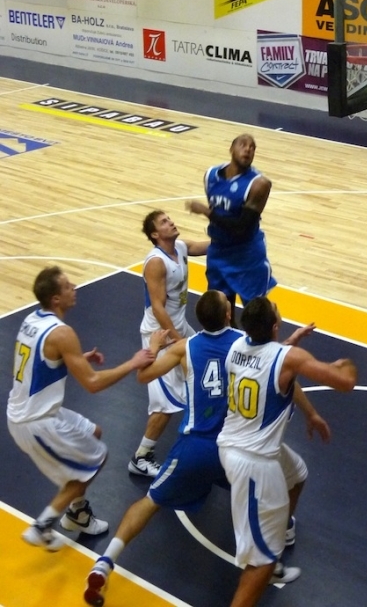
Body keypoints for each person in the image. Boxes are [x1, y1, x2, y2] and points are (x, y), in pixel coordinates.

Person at [84, 292, 325, 607]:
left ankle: (104, 563)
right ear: (228, 315)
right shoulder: (242, 343)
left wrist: (153, 347)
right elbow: (278, 364)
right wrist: (309, 406)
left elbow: (144, 375)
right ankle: (273, 559)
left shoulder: (184, 347)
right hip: (234, 449)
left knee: (150, 502)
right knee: (282, 488)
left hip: (195, 447)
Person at [218, 295, 357, 607]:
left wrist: (311, 413)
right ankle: (271, 554)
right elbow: (345, 383)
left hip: (236, 445)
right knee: (262, 563)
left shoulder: (237, 347)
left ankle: (279, 531)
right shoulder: (287, 358)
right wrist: (345, 364)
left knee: (297, 474)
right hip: (253, 462)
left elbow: (273, 368)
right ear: (275, 326)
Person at [7, 266, 154, 552]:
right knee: (95, 460)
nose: (74, 286)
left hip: (32, 410)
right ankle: (42, 526)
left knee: (93, 433)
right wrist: (133, 363)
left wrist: (76, 357)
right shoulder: (62, 333)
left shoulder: (32, 320)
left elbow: (39, 360)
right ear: (56, 299)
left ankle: (77, 514)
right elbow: (93, 383)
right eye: (66, 286)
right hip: (35, 422)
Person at [128, 210, 210, 478]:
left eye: (169, 219)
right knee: (165, 404)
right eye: (164, 222)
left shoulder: (181, 248)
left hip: (178, 327)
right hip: (161, 335)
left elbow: (205, 246)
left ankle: (208, 437)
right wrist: (178, 340)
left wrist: (232, 231)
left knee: (203, 376)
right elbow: (158, 307)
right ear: (155, 234)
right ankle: (141, 457)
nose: (171, 222)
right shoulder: (156, 262)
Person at [187, 133, 276, 325]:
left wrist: (206, 212)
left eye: (252, 147)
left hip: (247, 255)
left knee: (258, 318)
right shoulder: (210, 176)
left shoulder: (259, 184)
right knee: (221, 315)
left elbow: (241, 228)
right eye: (243, 144)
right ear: (231, 149)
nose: (248, 149)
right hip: (219, 252)